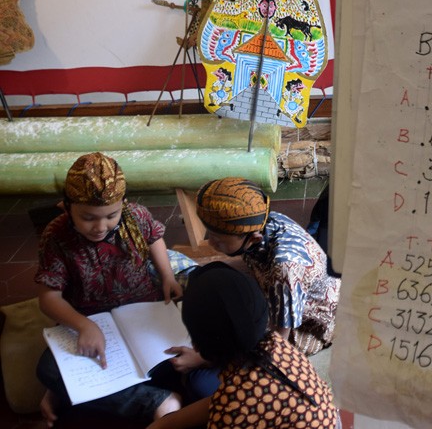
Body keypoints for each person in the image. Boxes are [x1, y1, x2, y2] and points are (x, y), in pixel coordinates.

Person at [34, 152, 192, 427]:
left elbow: (155, 236)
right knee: (47, 368)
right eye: (88, 217)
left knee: (174, 362)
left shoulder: (136, 216)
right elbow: (49, 298)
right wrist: (83, 326)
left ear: (124, 204)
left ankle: (74, 393)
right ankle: (161, 402)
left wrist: (167, 276)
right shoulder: (56, 235)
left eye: (111, 216)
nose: (100, 227)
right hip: (90, 318)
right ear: (66, 206)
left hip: (142, 311)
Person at [148, 262, 339, 429]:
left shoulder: (232, 407)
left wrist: (162, 422)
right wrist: (166, 423)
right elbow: (229, 398)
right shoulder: (276, 344)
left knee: (197, 383)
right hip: (329, 422)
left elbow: (231, 402)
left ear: (197, 346)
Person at [194, 176, 340, 355]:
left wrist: (206, 358)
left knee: (242, 340)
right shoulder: (262, 221)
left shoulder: (286, 267)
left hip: (310, 324)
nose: (210, 243)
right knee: (209, 277)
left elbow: (280, 340)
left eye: (218, 240)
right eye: (210, 235)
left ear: (254, 238)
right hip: (280, 289)